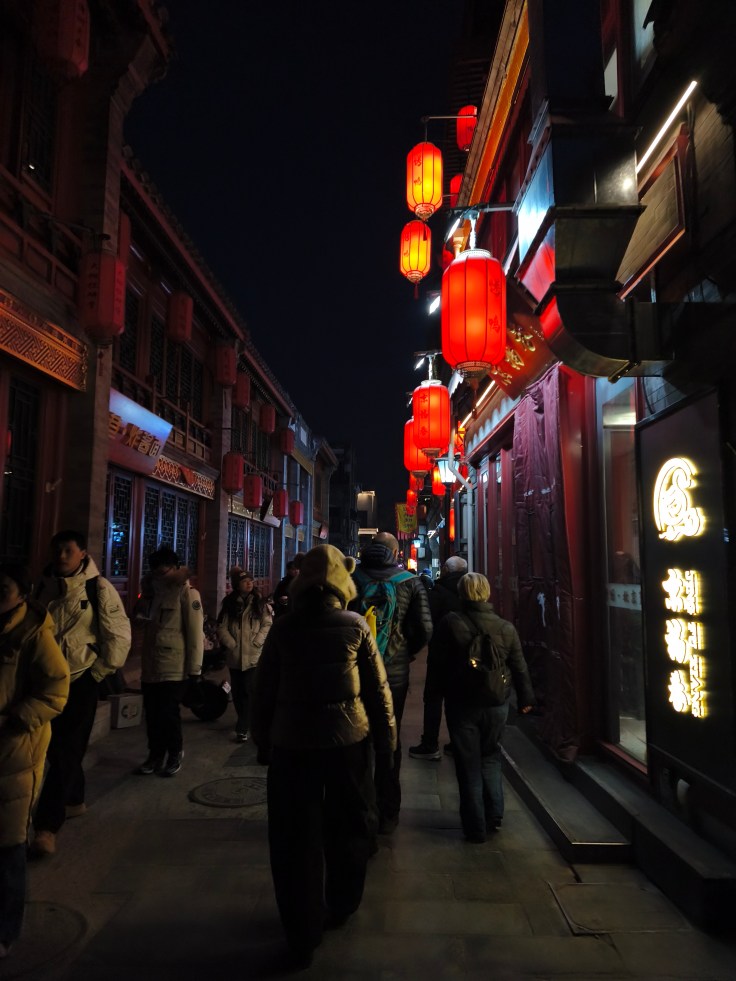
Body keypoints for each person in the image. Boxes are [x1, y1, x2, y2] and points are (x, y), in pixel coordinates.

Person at [251, 544, 396, 968]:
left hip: (291, 746)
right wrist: (386, 741)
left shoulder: (284, 628)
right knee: (349, 825)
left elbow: (263, 690)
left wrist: (263, 740)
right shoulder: (355, 626)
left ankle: (302, 931)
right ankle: (343, 902)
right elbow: (378, 690)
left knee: (294, 838)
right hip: (348, 744)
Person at [30, 530, 131, 857]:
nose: (61, 556)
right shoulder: (40, 586)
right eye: (57, 550)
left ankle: (46, 826)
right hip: (45, 682)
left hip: (81, 678)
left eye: (68, 550)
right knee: (55, 748)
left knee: (67, 751)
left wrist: (97, 674)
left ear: (83, 553)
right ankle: (74, 800)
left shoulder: (98, 588)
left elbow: (119, 636)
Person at [430, 572, 535, 843]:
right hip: (497, 703)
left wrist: (434, 695)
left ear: (462, 593)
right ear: (487, 593)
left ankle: (475, 825)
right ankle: (494, 814)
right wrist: (526, 699)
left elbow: (437, 664)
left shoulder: (450, 623)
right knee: (490, 756)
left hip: (462, 702)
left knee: (468, 763)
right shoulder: (505, 628)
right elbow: (519, 667)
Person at [0, 561, 69, 958]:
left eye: (3, 591)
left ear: (22, 594)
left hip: (14, 752)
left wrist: (17, 719)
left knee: (8, 843)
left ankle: (5, 930)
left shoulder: (32, 633)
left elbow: (55, 688)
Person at [350, 531, 432, 834]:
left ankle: (361, 809)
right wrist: (405, 653)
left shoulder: (352, 577)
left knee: (358, 736)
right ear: (396, 553)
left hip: (356, 669)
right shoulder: (410, 581)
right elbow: (425, 628)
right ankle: (388, 812)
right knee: (389, 736)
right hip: (393, 673)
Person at [136, 546, 203, 777]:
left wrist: (195, 670)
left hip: (174, 665)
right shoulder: (149, 592)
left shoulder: (187, 593)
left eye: (164, 572)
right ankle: (155, 755)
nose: (159, 576)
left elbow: (195, 634)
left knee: (168, 714)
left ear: (175, 568)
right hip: (150, 664)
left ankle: (174, 753)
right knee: (152, 714)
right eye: (156, 571)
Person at [409, 555, 468, 761]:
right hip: (465, 654)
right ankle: (457, 743)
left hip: (441, 653)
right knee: (457, 700)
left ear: (445, 570)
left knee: (433, 698)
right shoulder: (468, 591)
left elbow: (425, 622)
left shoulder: (438, 592)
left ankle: (430, 744)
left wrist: (414, 647)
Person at [216, 567, 272, 742]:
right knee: (238, 691)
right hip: (235, 656)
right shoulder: (229, 603)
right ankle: (245, 719)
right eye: (245, 581)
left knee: (248, 691)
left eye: (250, 581)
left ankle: (243, 727)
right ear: (237, 585)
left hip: (253, 654)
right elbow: (221, 626)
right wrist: (231, 644)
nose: (249, 584)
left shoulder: (259, 603)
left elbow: (267, 624)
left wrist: (257, 641)